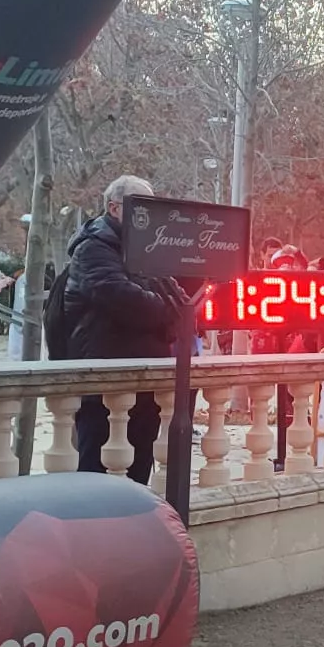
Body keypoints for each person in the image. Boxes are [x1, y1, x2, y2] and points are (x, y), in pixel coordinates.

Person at [63, 174, 188, 482]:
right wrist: (164, 309)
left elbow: (183, 305)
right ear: (114, 207)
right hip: (102, 387)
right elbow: (125, 300)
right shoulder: (92, 249)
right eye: (140, 207)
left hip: (146, 386)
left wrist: (166, 308)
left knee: (139, 474)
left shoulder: (149, 251)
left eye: (152, 207)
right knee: (95, 479)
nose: (148, 215)